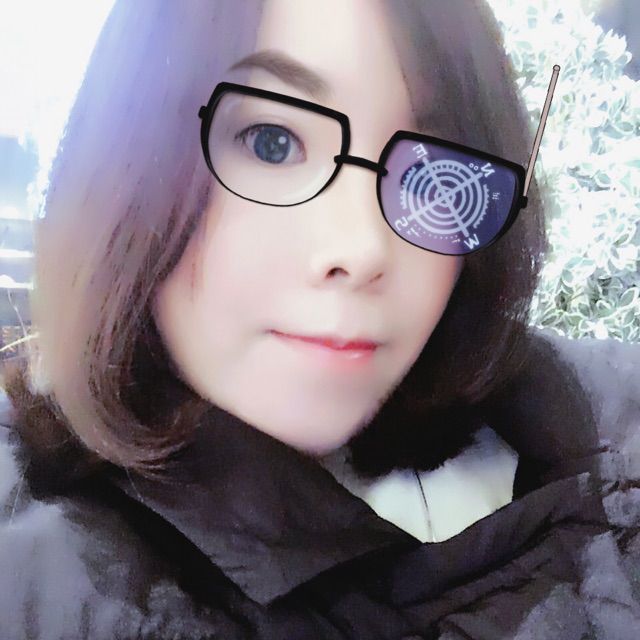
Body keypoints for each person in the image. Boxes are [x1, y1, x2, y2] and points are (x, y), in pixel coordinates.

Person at [0, 0, 638, 638]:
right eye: (272, 143)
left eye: (429, 172)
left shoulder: (599, 435)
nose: (363, 249)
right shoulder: (38, 576)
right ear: (123, 160)